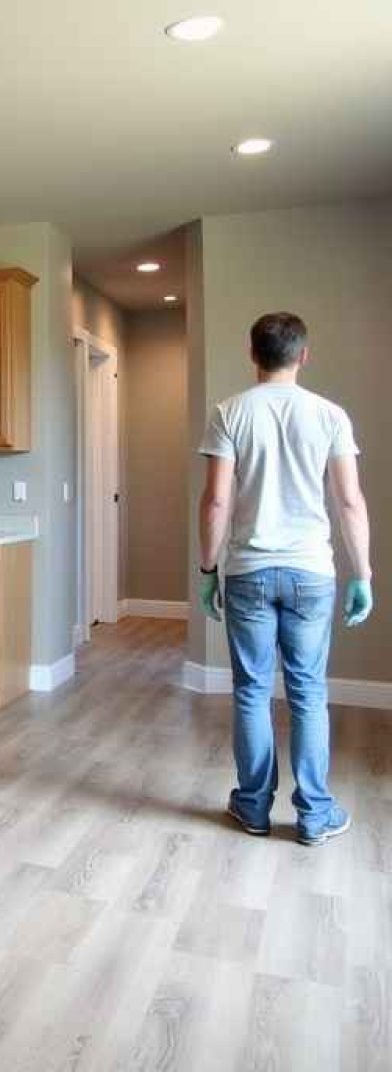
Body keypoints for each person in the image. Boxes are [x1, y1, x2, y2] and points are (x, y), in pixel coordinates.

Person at [198, 313, 373, 846]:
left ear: (253, 354)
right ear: (303, 355)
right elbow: (349, 502)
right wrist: (362, 574)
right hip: (311, 575)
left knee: (251, 691)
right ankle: (314, 816)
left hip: (248, 572)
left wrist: (208, 570)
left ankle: (252, 807)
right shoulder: (329, 415)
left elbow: (217, 501)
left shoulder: (229, 413)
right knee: (308, 694)